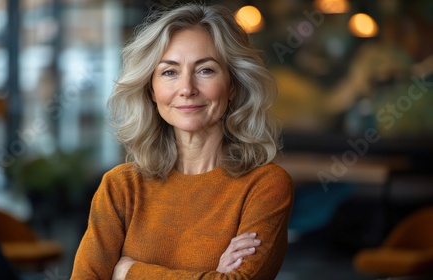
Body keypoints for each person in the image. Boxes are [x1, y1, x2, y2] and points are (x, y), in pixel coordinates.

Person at [71, 3, 293, 279]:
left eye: (206, 70)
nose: (187, 89)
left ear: (233, 85)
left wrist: (129, 272)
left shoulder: (265, 186)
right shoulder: (121, 187)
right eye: (169, 72)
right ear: (151, 90)